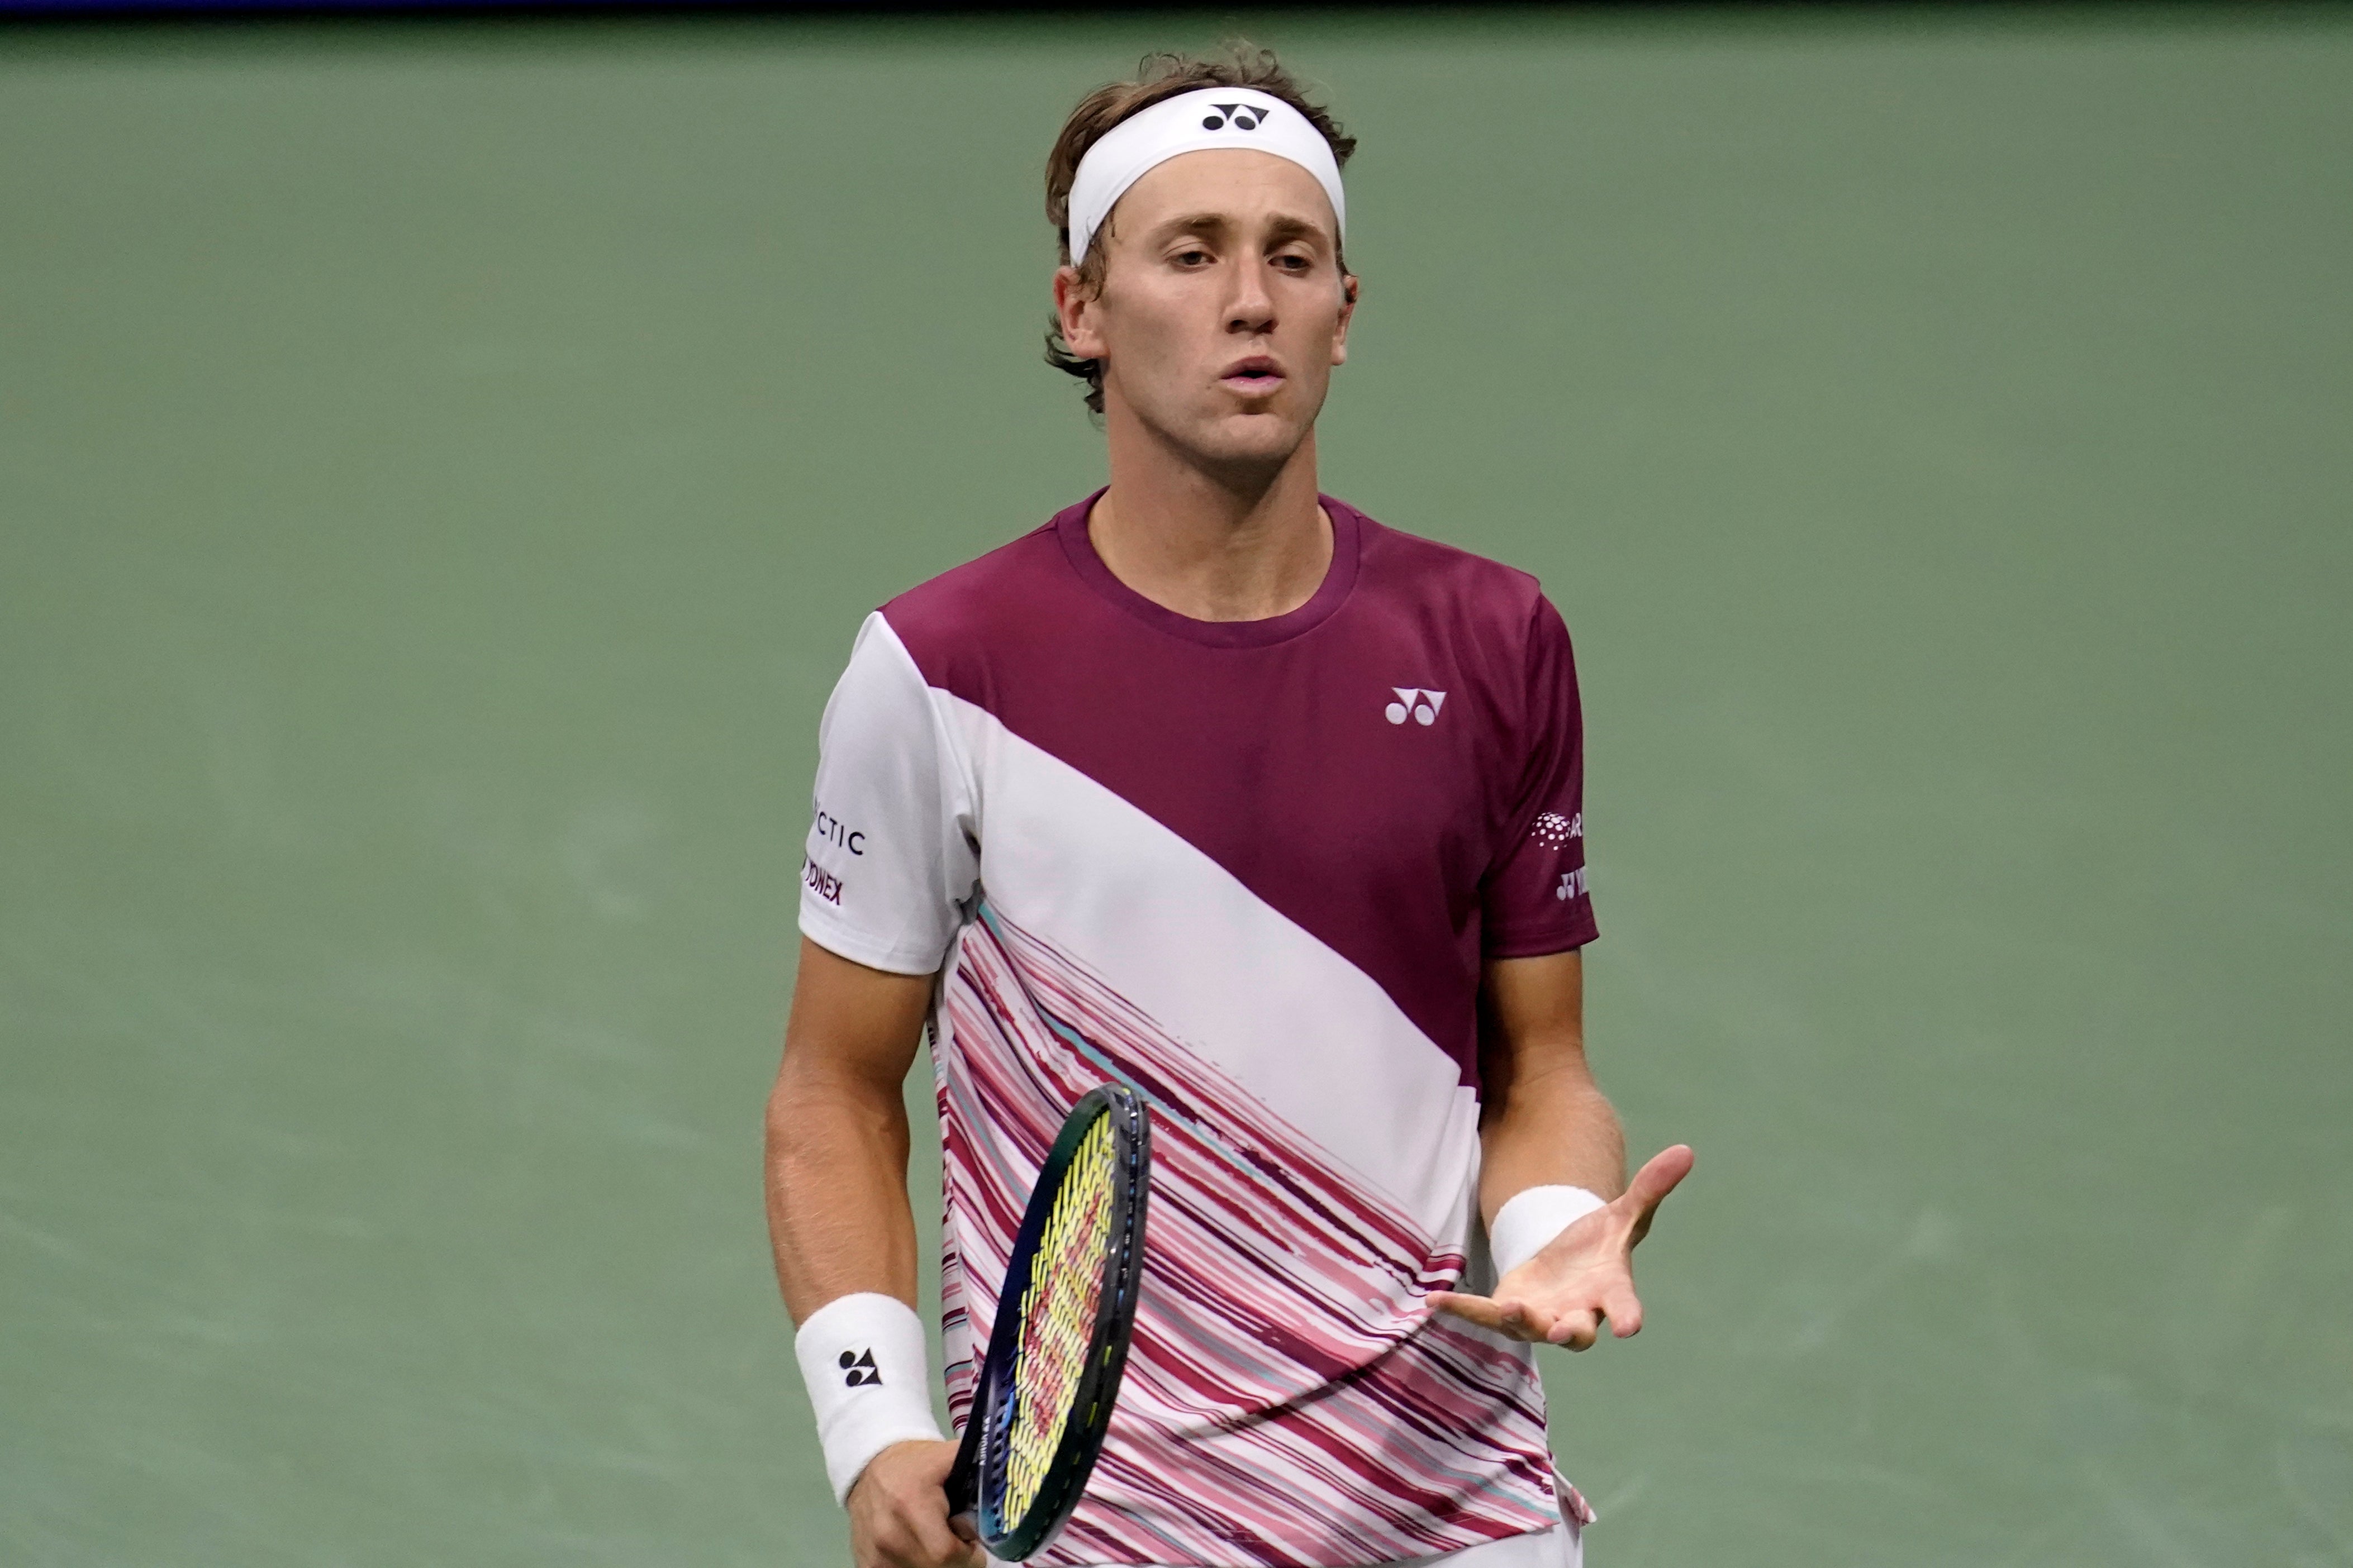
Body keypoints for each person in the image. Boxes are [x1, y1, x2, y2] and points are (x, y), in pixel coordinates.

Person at [764, 47, 1693, 1568]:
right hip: (1100, 1522)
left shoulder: (1493, 638)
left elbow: (1541, 1072)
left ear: (1345, 314)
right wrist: (872, 1426)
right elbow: (830, 1091)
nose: (1247, 300)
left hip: (1450, 1506)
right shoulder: (942, 671)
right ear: (1081, 312)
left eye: (1292, 257)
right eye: (1188, 255)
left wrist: (1544, 1241)